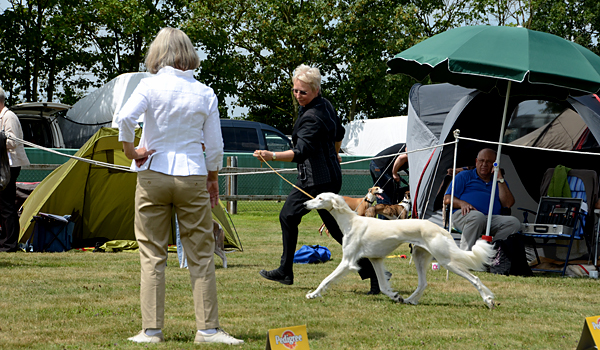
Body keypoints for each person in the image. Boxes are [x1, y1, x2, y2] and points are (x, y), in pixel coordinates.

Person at [116, 27, 242, 345]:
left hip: (151, 174)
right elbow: (214, 146)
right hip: (193, 176)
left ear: (158, 54)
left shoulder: (149, 85)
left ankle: (151, 331)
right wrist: (213, 178)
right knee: (200, 253)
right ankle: (208, 329)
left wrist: (131, 151)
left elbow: (125, 119)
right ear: (189, 54)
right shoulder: (205, 93)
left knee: (152, 253)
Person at [253, 64, 383, 294]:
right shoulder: (325, 105)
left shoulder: (312, 116)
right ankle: (374, 274)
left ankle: (285, 271)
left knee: (288, 215)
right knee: (336, 229)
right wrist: (334, 152)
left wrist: (271, 155)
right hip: (330, 177)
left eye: (303, 92)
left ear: (315, 90)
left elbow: (300, 152)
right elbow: (339, 133)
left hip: (316, 181)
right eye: (295, 90)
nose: (297, 96)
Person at [443, 148, 521, 251]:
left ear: (495, 164)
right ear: (476, 162)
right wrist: (462, 203)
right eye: (481, 161)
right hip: (464, 215)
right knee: (477, 217)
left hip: (489, 218)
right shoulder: (464, 176)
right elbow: (447, 198)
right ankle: (466, 258)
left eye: (489, 162)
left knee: (513, 222)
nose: (484, 164)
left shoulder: (498, 181)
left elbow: (508, 203)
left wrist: (499, 178)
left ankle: (491, 253)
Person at [0, 86, 29, 252]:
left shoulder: (9, 117)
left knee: (7, 205)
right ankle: (5, 241)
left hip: (10, 165)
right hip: (4, 165)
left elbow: (13, 142)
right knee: (3, 205)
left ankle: (10, 244)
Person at [370, 143, 409, 209]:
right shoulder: (412, 148)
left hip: (375, 164)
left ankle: (383, 217)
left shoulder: (409, 144)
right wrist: (394, 173)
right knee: (386, 195)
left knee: (382, 194)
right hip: (381, 166)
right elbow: (401, 158)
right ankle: (384, 218)